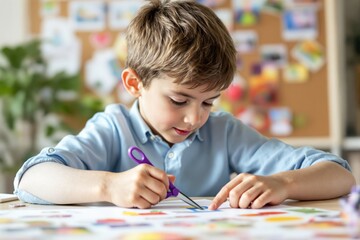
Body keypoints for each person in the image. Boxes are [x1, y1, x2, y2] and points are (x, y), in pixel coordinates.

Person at [14, 0, 355, 210]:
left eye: (208, 101)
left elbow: (340, 175)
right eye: (179, 99)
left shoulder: (223, 132)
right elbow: (30, 179)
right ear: (135, 83)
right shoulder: (113, 128)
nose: (195, 117)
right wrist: (108, 186)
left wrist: (284, 183)